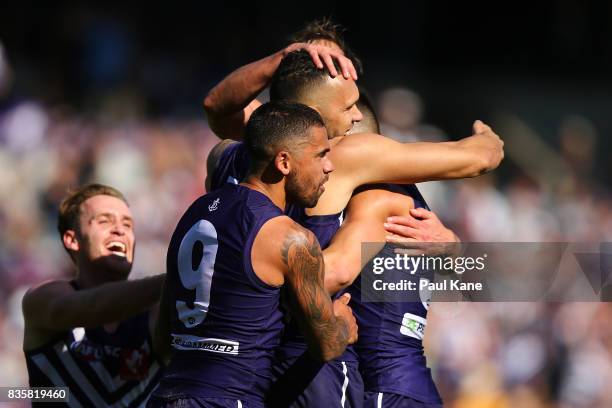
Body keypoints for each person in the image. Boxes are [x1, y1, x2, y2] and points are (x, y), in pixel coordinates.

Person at [204, 46, 501, 407]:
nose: (353, 117)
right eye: (347, 108)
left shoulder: (231, 155)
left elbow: (216, 107)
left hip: (247, 365)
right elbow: (337, 272)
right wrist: (488, 140)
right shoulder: (357, 171)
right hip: (360, 377)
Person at [149, 101, 358, 408]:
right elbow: (327, 345)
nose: (329, 166)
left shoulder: (193, 212)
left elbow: (162, 341)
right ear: (284, 162)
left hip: (165, 396)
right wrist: (342, 325)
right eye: (320, 155)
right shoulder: (291, 238)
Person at [22, 183, 166, 407]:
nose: (120, 230)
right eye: (105, 221)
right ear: (72, 239)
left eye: (127, 224)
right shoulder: (42, 297)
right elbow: (87, 307)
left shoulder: (155, 312)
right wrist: (175, 280)